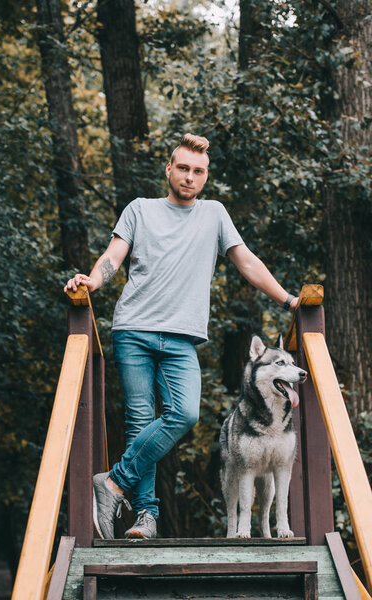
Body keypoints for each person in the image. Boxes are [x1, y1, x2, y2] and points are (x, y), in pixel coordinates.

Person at [64, 133, 298, 540]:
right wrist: (92, 281)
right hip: (134, 329)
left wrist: (288, 299)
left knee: (184, 413)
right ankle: (146, 518)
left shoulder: (214, 215)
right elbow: (112, 257)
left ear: (205, 178)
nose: (190, 176)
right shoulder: (140, 210)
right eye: (184, 168)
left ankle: (113, 483)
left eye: (199, 171)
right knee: (140, 425)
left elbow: (247, 262)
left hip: (181, 339)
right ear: (168, 169)